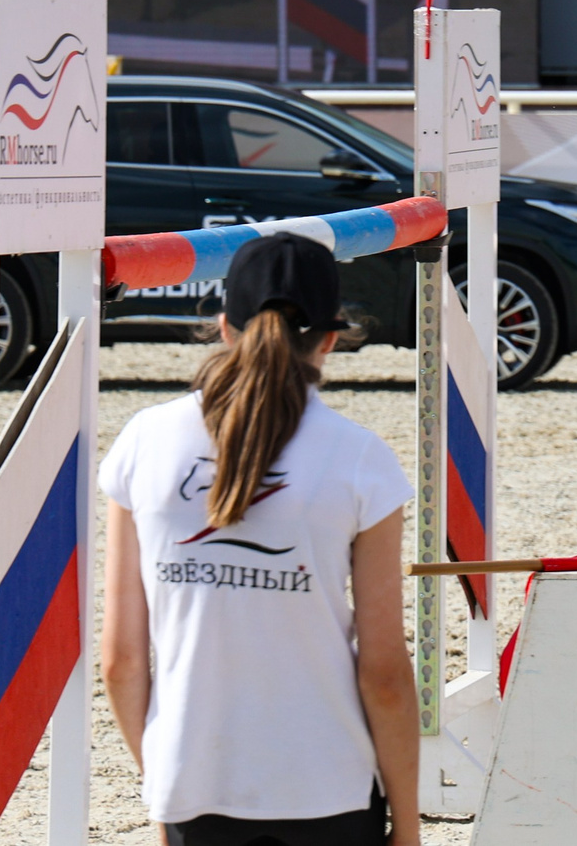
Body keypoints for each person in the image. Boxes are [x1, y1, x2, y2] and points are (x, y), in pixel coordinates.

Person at [99, 234, 420, 846]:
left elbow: (121, 661)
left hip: (194, 781)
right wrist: (408, 828)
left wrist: (163, 787)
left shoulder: (145, 440)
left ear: (224, 328)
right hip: (327, 786)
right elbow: (383, 673)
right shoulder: (359, 458)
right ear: (330, 339)